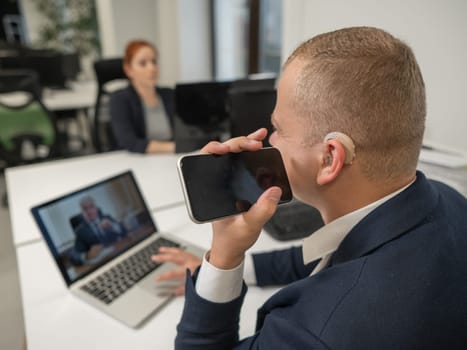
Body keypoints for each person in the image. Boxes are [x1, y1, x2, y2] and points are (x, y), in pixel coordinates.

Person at [152, 27, 467, 349]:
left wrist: (223, 256)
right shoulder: (450, 201)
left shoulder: (317, 333)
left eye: (278, 129)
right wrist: (240, 263)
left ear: (330, 158)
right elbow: (328, 250)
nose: (268, 141)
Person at [110, 39, 175, 153]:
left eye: (154, 62)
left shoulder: (169, 94)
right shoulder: (120, 99)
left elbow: (186, 134)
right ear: (128, 70)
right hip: (137, 160)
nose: (152, 68)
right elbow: (130, 142)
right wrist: (175, 147)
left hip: (171, 158)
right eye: (143, 63)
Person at [70, 196, 128, 265]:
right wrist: (87, 256)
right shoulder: (81, 231)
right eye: (85, 209)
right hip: (103, 263)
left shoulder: (107, 218)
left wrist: (113, 226)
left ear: (96, 208)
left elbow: (125, 231)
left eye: (91, 207)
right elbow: (74, 255)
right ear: (82, 213)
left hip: (121, 254)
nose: (89, 211)